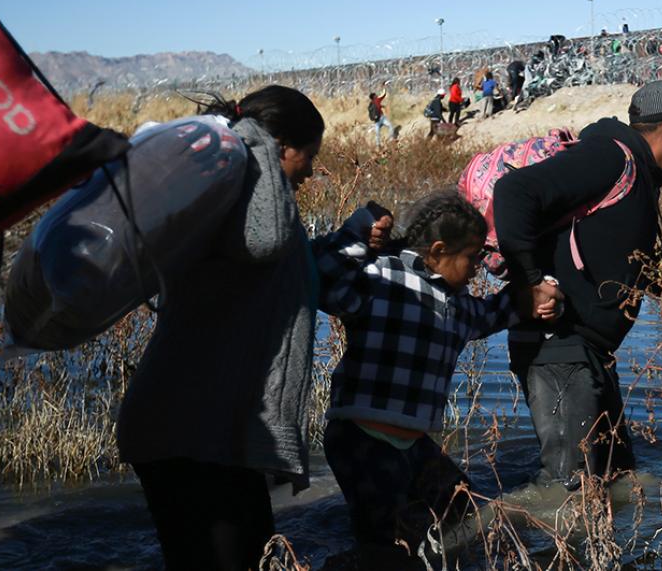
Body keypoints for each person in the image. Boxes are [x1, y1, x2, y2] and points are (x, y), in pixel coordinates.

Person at [116, 85, 348, 570]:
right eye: (308, 156)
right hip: (187, 430)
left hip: (210, 431)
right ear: (281, 147)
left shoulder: (241, 205)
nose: (309, 170)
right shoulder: (234, 200)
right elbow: (267, 243)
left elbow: (284, 264)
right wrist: (255, 139)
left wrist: (351, 235)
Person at [493, 79, 662, 490]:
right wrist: (531, 282)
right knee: (568, 496)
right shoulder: (608, 157)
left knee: (616, 479)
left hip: (589, 351)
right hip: (557, 348)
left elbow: (642, 259)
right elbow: (513, 191)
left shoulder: (638, 177)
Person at [315, 191, 556, 560]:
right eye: (472, 257)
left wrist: (534, 297)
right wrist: (358, 231)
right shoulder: (383, 278)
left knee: (466, 511)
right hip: (361, 440)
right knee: (385, 547)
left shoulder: (456, 304)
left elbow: (492, 313)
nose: (478, 267)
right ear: (440, 250)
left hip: (411, 445)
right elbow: (322, 275)